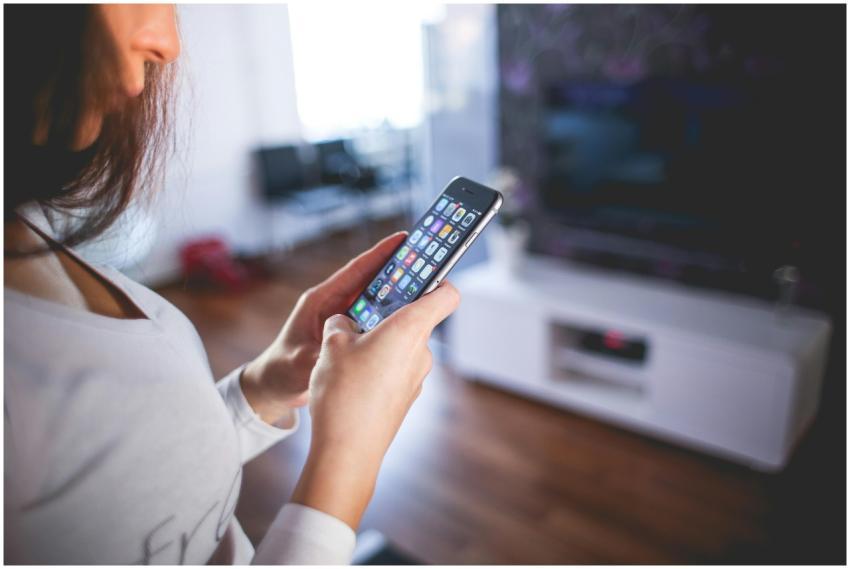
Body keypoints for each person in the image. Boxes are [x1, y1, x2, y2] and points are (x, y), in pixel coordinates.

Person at [4, 5, 459, 564]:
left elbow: (132, 478)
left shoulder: (27, 229)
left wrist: (263, 387)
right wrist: (349, 452)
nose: (168, 40)